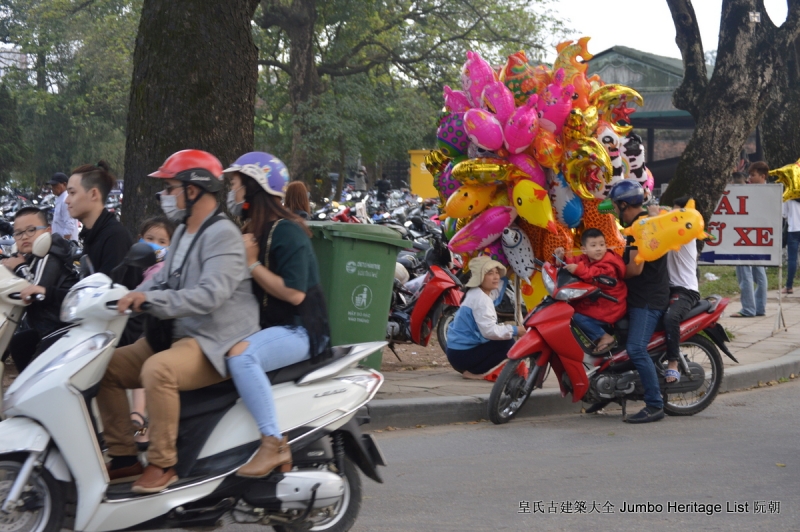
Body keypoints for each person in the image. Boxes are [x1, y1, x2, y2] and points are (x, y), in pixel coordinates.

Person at [98, 149, 260, 494]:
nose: (165, 197)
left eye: (170, 188)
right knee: (104, 367)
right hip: (177, 334)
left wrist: (150, 300)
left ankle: (163, 463)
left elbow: (209, 296)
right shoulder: (185, 231)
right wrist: (129, 295)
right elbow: (161, 280)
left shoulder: (223, 235)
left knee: (159, 370)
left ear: (194, 189)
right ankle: (125, 458)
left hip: (212, 341)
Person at [223, 152, 332, 478]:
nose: (231, 189)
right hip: (273, 327)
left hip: (301, 329)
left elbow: (294, 293)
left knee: (241, 358)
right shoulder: (255, 230)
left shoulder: (287, 231)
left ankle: (273, 441)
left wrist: (253, 264)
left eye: (235, 182)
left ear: (253, 186)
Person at [609, 180, 668, 423]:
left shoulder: (640, 227)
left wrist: (611, 269)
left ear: (624, 204)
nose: (614, 211)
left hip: (647, 299)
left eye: (615, 206)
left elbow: (634, 269)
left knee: (635, 348)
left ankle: (654, 405)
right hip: (642, 294)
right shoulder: (644, 222)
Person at [1, 207, 77, 371]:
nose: (25, 237)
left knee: (30, 383)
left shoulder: (50, 254)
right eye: (19, 233)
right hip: (46, 328)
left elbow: (34, 288)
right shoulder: (35, 255)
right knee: (19, 343)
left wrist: (19, 266)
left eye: (31, 230)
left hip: (60, 329)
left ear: (47, 231)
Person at [130, 216, 175, 450]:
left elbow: (143, 291)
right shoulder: (140, 265)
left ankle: (140, 425)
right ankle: (140, 430)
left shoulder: (159, 269)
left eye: (162, 241)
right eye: (149, 239)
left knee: (143, 373)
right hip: (151, 330)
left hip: (161, 333)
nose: (155, 245)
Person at [553, 228, 628, 354]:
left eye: (601, 244)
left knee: (577, 317)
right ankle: (596, 338)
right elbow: (574, 261)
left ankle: (604, 337)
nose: (598, 248)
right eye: (593, 245)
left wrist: (578, 270)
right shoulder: (585, 258)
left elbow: (596, 274)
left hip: (611, 304)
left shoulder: (609, 263)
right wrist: (561, 258)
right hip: (598, 301)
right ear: (584, 249)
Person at [445, 256, 519, 380]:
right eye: (490, 273)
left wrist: (509, 272)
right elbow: (490, 331)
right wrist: (516, 330)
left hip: (456, 353)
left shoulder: (476, 292)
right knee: (508, 343)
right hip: (461, 355)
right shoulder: (481, 299)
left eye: (497, 273)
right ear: (480, 277)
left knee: (505, 339)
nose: (496, 277)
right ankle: (474, 371)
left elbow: (496, 292)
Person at [660, 196, 701, 383]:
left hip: (686, 290)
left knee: (671, 317)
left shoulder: (687, 232)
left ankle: (673, 362)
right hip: (667, 288)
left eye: (678, 211)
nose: (673, 214)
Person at [731, 161, 769, 317]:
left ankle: (748, 308)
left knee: (744, 271)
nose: (751, 178)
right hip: (760, 237)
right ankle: (759, 307)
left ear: (762, 176)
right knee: (760, 273)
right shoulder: (770, 191)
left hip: (745, 235)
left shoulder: (754, 191)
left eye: (753, 175)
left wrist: (736, 176)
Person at [47, 172, 79, 241]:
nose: (53, 188)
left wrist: (62, 244)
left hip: (65, 245)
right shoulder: (60, 198)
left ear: (64, 184)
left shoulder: (65, 200)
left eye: (55, 185)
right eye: (52, 185)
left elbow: (69, 226)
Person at [782, 197, 800, 294]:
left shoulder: (788, 196)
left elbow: (784, 214)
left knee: (792, 259)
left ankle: (789, 286)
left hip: (793, 230)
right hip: (793, 230)